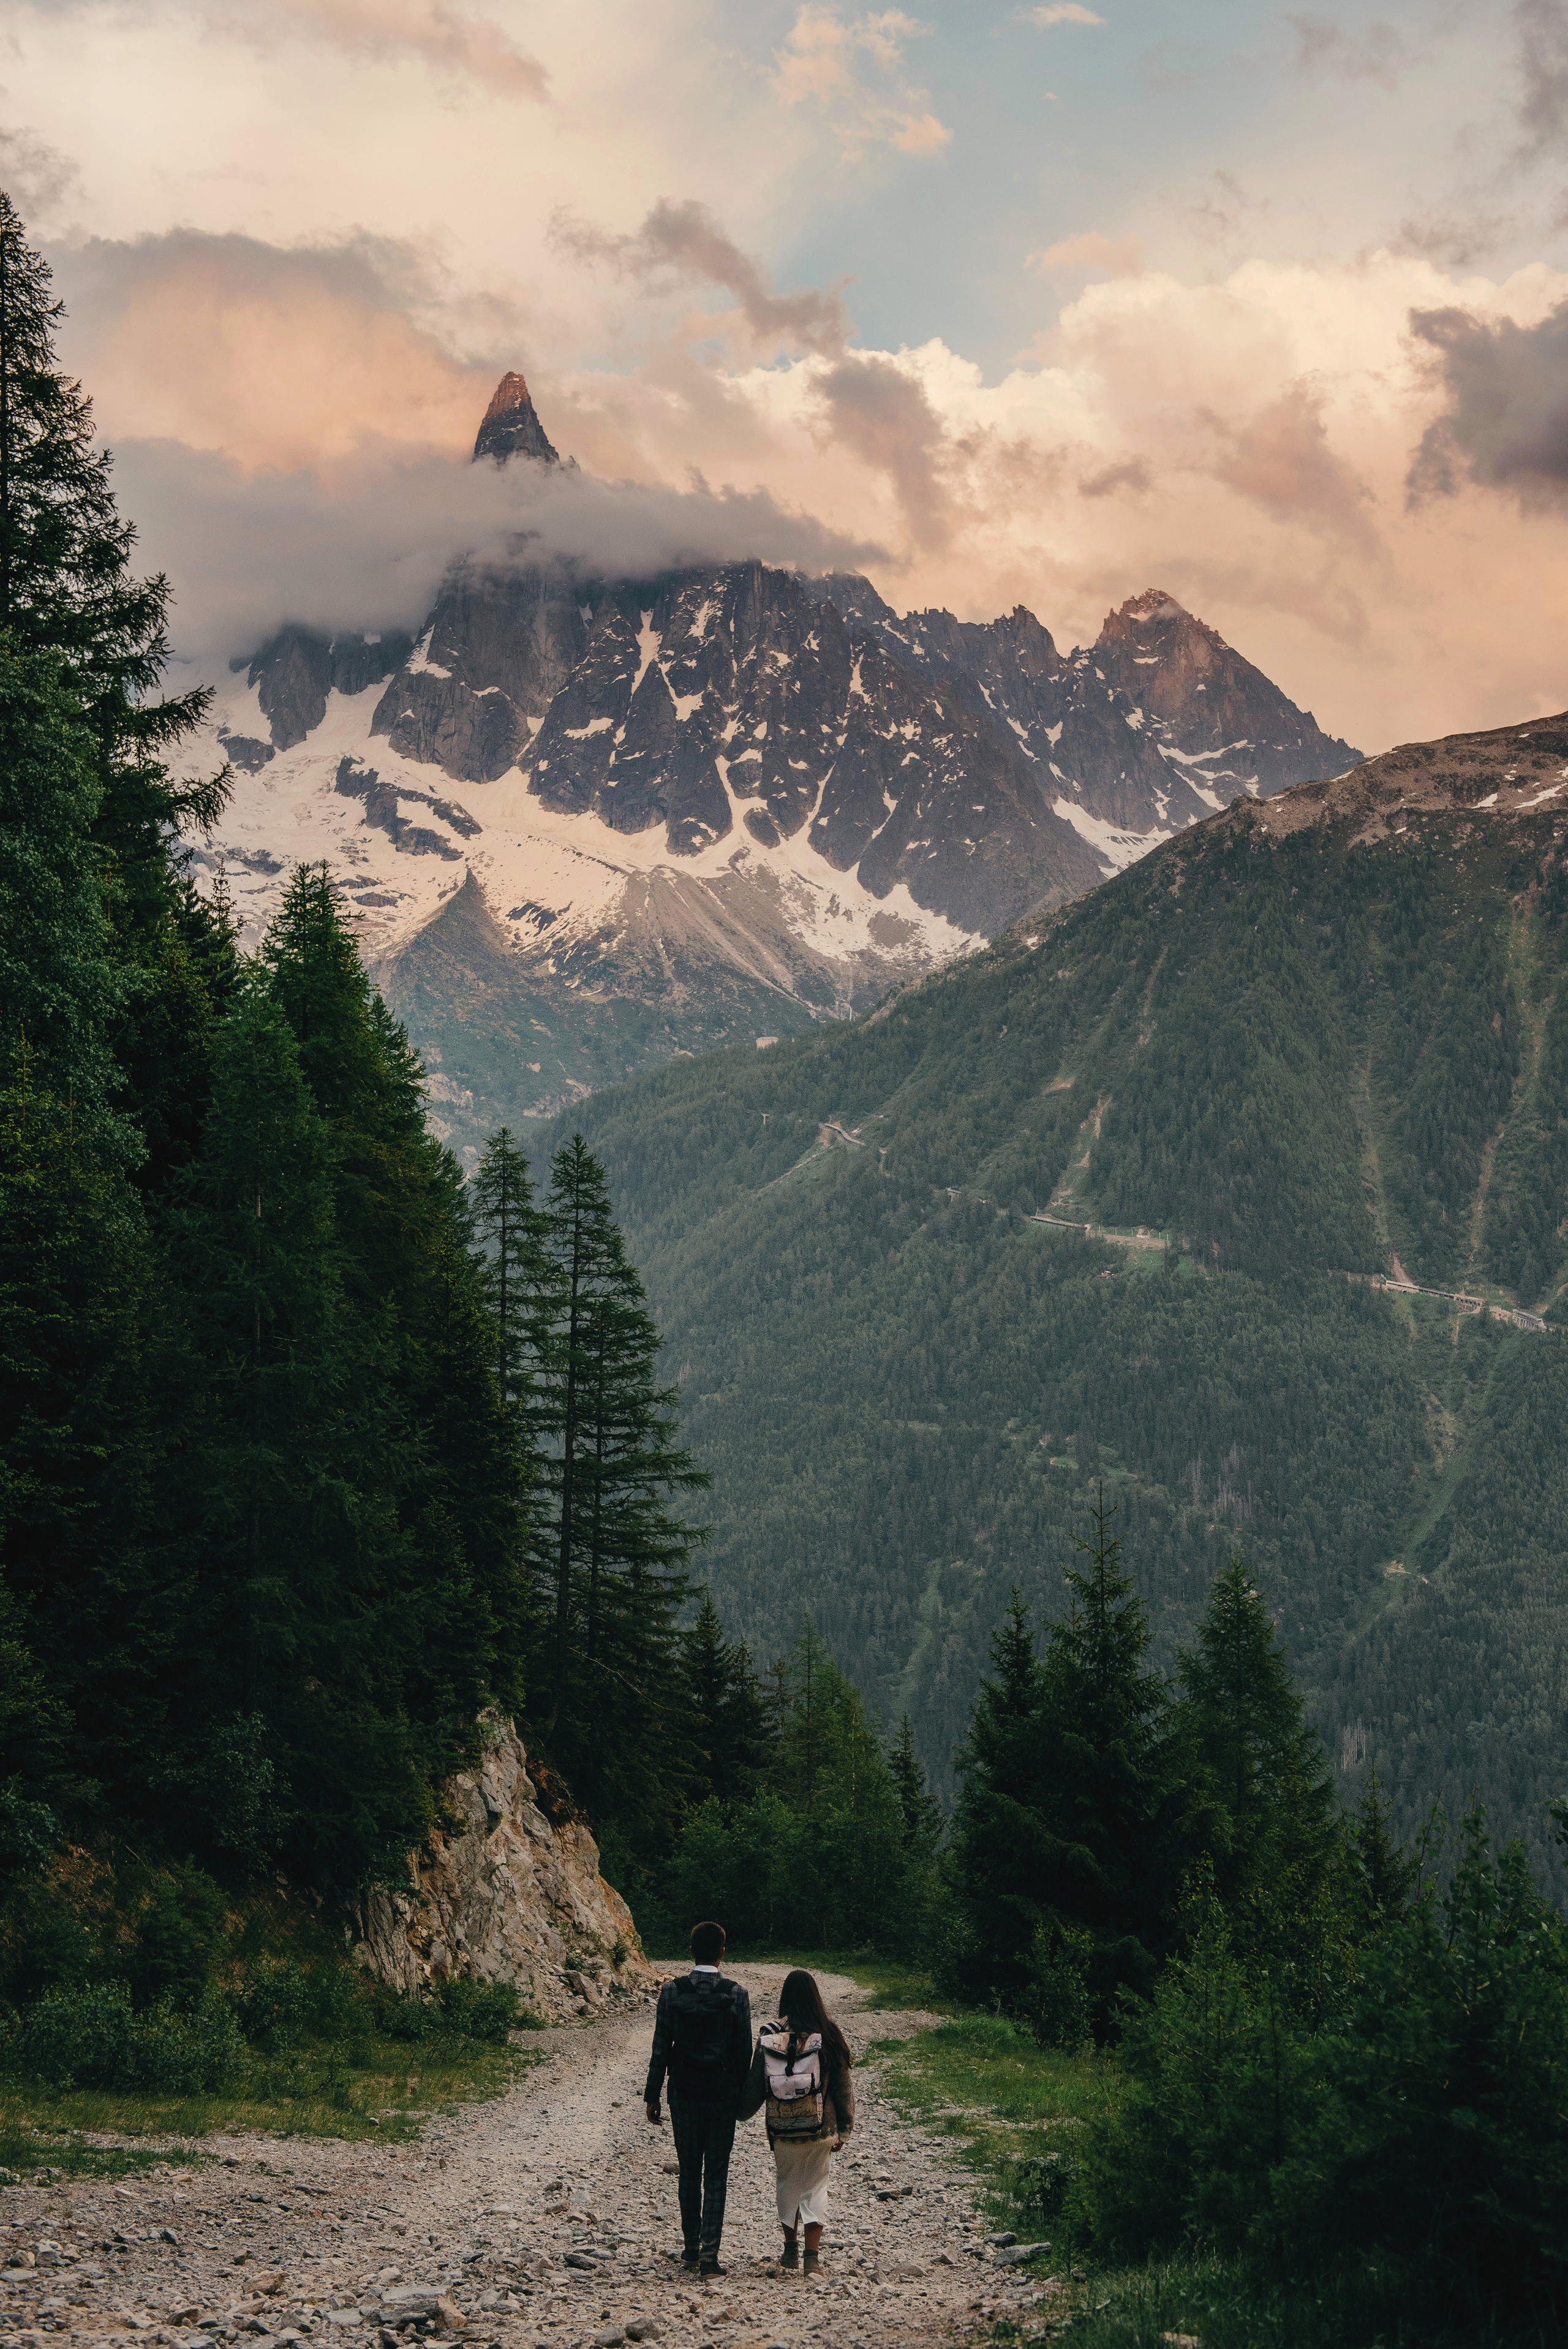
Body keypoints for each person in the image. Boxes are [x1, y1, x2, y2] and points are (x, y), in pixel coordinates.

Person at [644, 1919, 753, 2278]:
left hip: (683, 2092)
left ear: (691, 1951)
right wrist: (742, 2098)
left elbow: (661, 2047)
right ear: (722, 1953)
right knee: (717, 2174)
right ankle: (710, 2257)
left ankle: (690, 2247)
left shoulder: (671, 1992)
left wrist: (653, 2095)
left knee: (689, 2171)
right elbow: (743, 2053)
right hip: (722, 2094)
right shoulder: (736, 1994)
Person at [739, 1968, 855, 2277]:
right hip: (821, 2128)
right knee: (816, 2186)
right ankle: (812, 2258)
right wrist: (845, 2128)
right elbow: (843, 2087)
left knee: (787, 2183)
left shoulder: (770, 2035)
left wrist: (740, 2111)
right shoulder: (829, 2033)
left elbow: (756, 2084)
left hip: (782, 2129)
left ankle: (790, 2251)